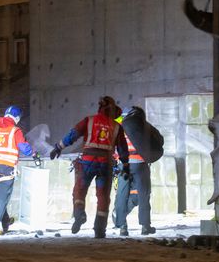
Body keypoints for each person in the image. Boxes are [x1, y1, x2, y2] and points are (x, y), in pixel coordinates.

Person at [50, 95, 129, 239]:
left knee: (79, 190)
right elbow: (122, 148)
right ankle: (99, 230)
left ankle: (79, 213)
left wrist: (58, 147)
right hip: (105, 164)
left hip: (87, 162)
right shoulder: (116, 126)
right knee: (103, 197)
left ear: (99, 107)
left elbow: (73, 135)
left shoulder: (89, 120)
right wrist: (126, 165)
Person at [0, 106, 33, 236]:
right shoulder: (15, 131)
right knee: (2, 199)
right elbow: (24, 148)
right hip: (7, 168)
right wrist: (32, 150)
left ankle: (5, 221)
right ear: (16, 117)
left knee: (0, 197)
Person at [113, 107, 156, 236]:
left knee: (121, 195)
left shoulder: (117, 125)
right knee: (144, 195)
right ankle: (145, 226)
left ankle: (122, 227)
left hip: (123, 165)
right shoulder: (142, 125)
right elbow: (155, 141)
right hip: (140, 164)